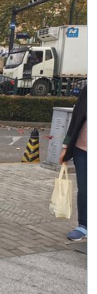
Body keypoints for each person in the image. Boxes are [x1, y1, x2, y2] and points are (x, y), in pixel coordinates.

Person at [59, 85, 87, 242]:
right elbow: (76, 119)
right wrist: (65, 147)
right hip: (82, 149)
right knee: (84, 189)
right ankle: (83, 225)